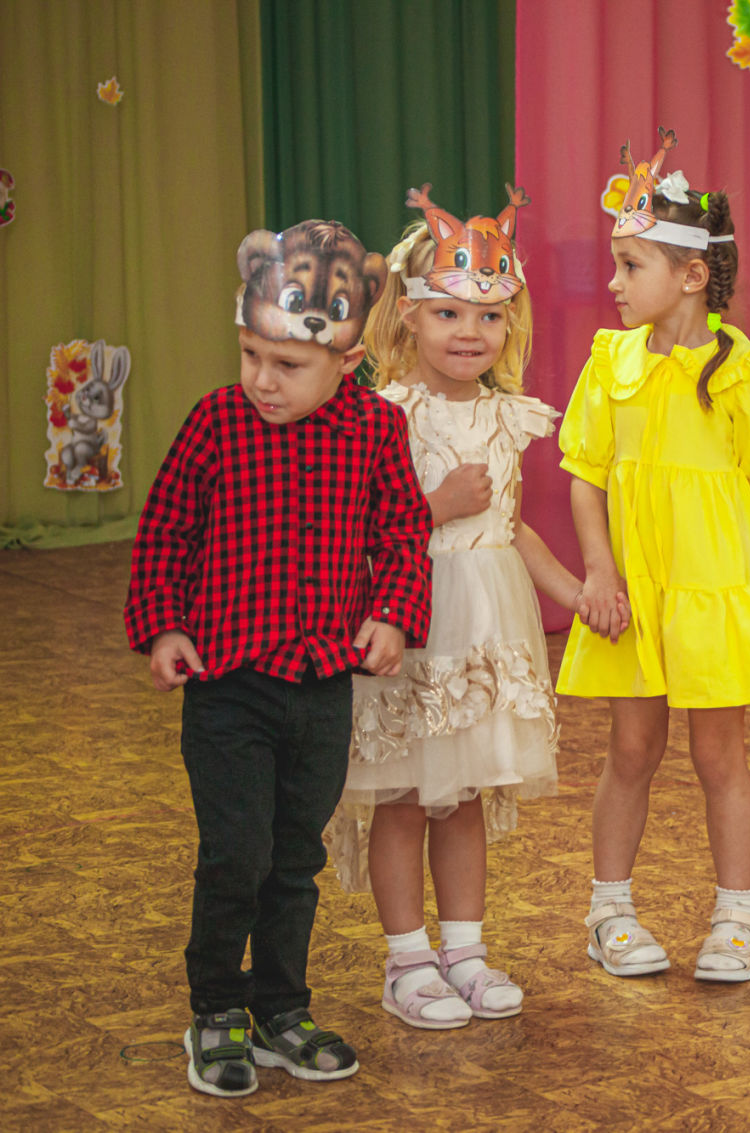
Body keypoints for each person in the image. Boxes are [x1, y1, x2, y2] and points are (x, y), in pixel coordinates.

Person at [125, 218, 431, 1095]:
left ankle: (280, 1009)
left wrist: (393, 616)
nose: (262, 378)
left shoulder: (375, 429)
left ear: (346, 359)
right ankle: (216, 1010)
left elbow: (404, 533)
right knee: (236, 853)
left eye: (287, 364)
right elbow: (164, 533)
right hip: (227, 688)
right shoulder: (216, 422)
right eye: (251, 355)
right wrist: (164, 627)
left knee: (294, 856)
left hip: (320, 688)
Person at [325, 184, 625, 1028]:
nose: (470, 332)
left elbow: (513, 526)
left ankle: (464, 950)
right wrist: (435, 507)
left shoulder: (506, 416)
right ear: (410, 317)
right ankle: (407, 960)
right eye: (450, 313)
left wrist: (576, 591)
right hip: (411, 626)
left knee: (461, 797)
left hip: (487, 631)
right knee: (402, 796)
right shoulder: (384, 415)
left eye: (489, 317)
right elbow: (358, 530)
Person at [558, 129, 750, 982]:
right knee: (632, 750)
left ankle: (736, 918)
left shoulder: (747, 372)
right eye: (616, 264)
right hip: (636, 592)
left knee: (720, 758)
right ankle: (609, 910)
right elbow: (585, 477)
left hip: (713, 590)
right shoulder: (611, 361)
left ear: (691, 275)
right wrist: (600, 571)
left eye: (629, 265)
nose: (613, 282)